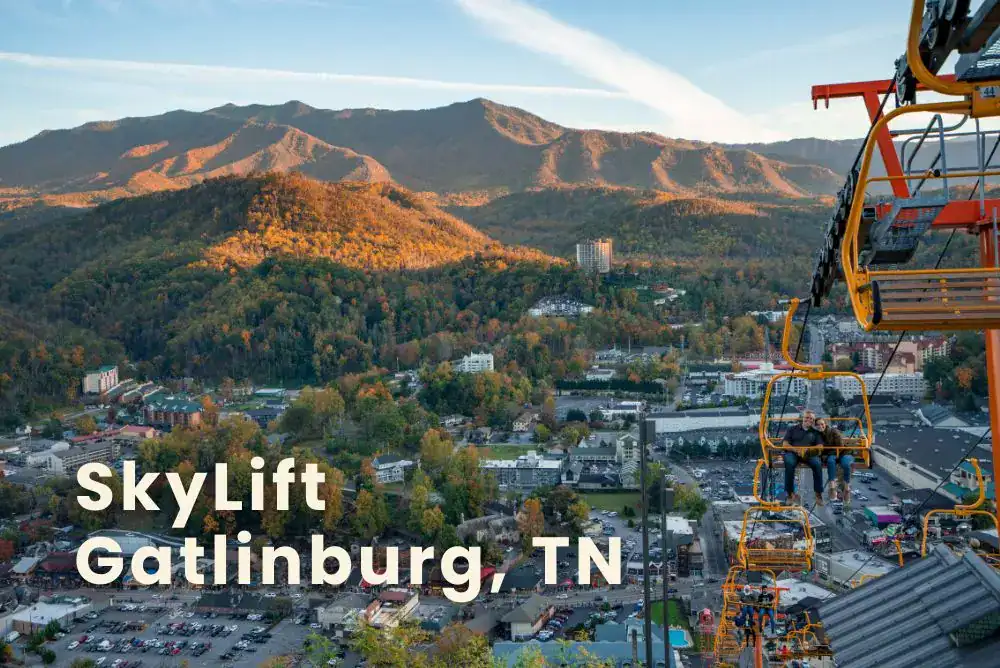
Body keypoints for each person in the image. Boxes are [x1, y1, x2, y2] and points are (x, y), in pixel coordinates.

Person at [782, 410, 824, 505]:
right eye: (807, 417)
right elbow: (785, 444)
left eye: (811, 419)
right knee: (789, 463)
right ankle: (790, 493)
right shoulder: (792, 429)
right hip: (793, 453)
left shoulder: (815, 432)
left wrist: (807, 450)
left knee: (817, 464)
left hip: (808, 454)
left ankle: (818, 493)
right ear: (803, 418)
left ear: (813, 421)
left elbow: (820, 446)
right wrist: (796, 450)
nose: (808, 420)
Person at [817, 417, 853, 503]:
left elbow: (840, 446)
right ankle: (832, 487)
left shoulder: (834, 431)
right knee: (830, 462)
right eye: (818, 425)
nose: (820, 426)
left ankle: (847, 489)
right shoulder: (817, 435)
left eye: (822, 424)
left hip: (843, 453)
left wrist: (828, 454)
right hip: (831, 454)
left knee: (845, 465)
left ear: (825, 424)